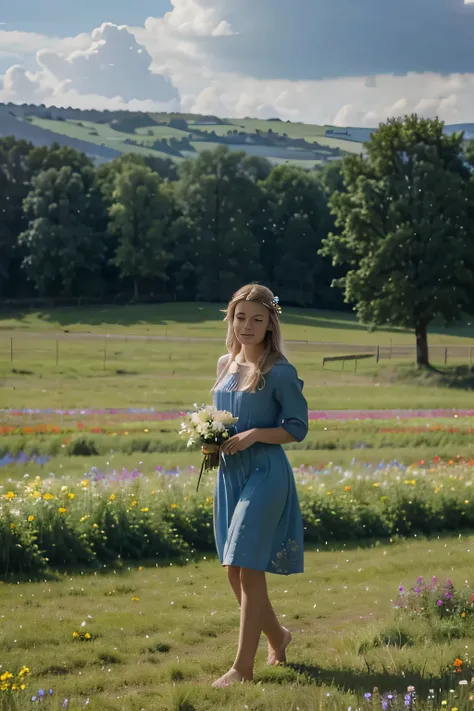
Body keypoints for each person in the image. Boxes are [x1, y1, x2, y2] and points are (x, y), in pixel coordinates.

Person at [210, 283, 308, 688]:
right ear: (231, 319)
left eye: (257, 318)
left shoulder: (279, 372)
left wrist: (253, 435)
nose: (247, 325)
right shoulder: (224, 365)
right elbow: (222, 416)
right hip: (229, 474)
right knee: (234, 570)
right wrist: (209, 440)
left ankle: (242, 668)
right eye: (240, 317)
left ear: (270, 324)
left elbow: (297, 429)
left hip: (266, 474)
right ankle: (278, 636)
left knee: (249, 568)